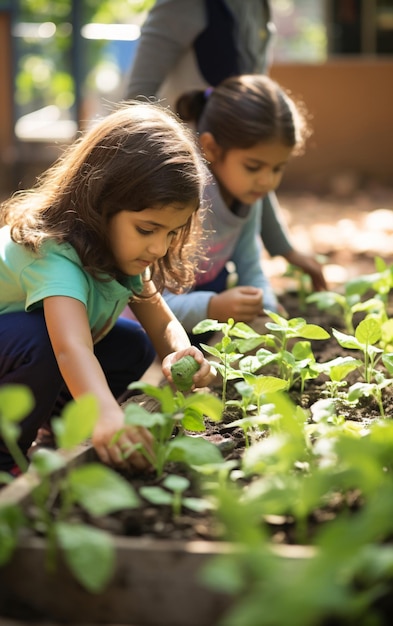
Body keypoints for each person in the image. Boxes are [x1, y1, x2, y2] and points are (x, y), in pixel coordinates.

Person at [0, 101, 216, 475]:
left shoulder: (119, 251)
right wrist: (107, 414)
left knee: (133, 344)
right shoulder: (53, 252)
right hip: (23, 346)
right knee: (45, 344)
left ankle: (65, 430)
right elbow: (71, 349)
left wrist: (184, 353)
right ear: (100, 204)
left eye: (172, 232)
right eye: (147, 230)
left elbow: (161, 322)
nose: (159, 248)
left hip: (19, 352)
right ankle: (6, 461)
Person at [123, 0, 327, 292]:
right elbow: (131, 109)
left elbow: (253, 157)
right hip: (173, 187)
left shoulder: (258, 9)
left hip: (217, 210)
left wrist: (283, 248)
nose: (267, 179)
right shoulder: (182, 8)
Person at [163, 74, 309, 333]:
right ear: (210, 148)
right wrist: (212, 307)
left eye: (278, 168)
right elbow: (151, 304)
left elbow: (250, 265)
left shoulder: (246, 198)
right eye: (254, 167)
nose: (267, 181)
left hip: (202, 301)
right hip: (153, 320)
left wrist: (267, 306)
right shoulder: (185, 198)